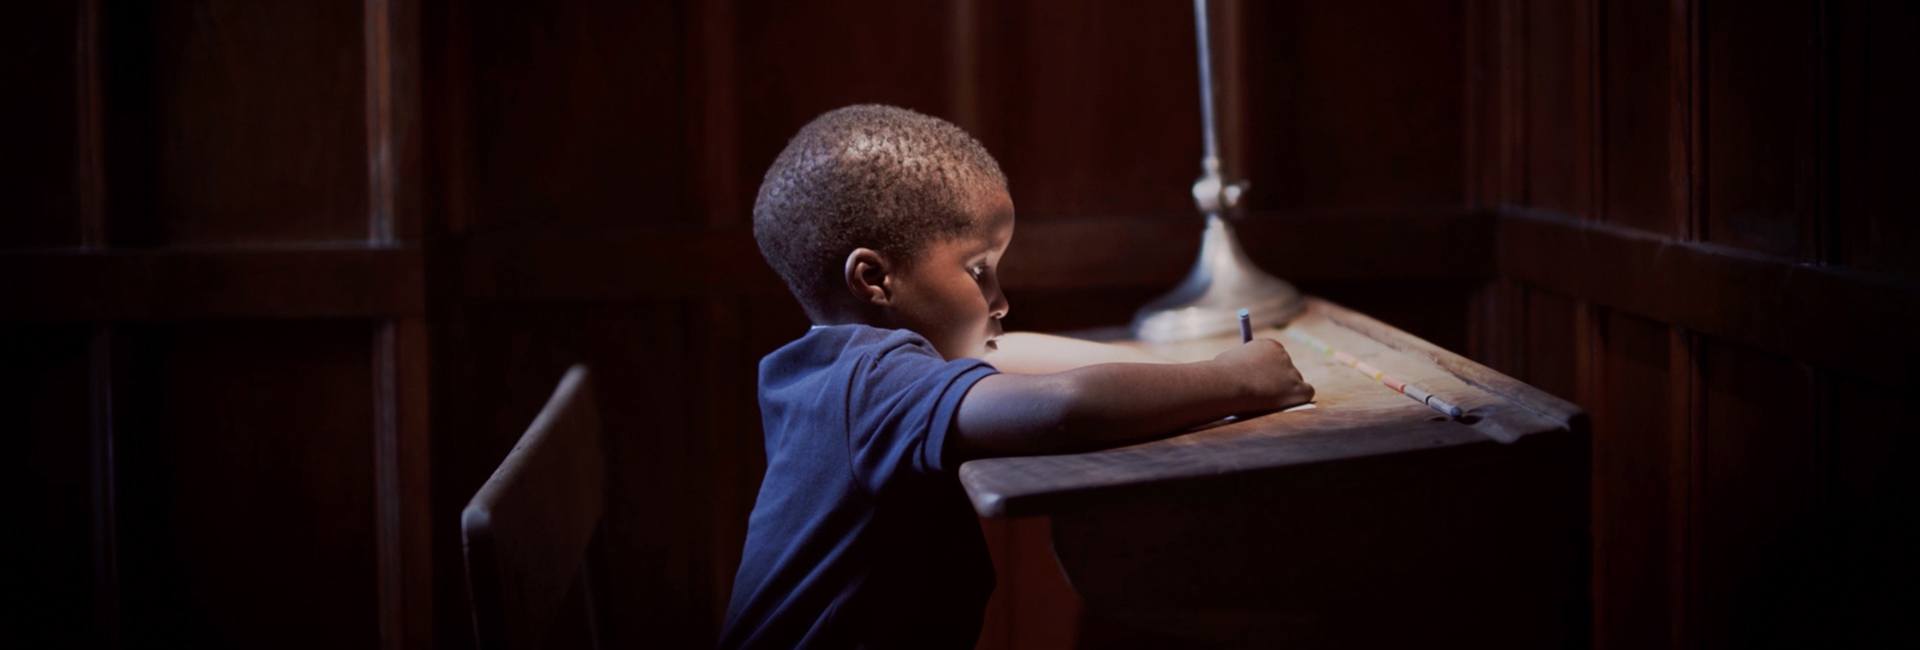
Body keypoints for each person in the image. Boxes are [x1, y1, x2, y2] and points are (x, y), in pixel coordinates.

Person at [721, 104, 1313, 649]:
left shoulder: (834, 372)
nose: (999, 300)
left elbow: (1006, 353)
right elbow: (1064, 406)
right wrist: (1236, 381)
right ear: (874, 280)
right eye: (978, 270)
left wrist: (1175, 372)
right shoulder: (871, 383)